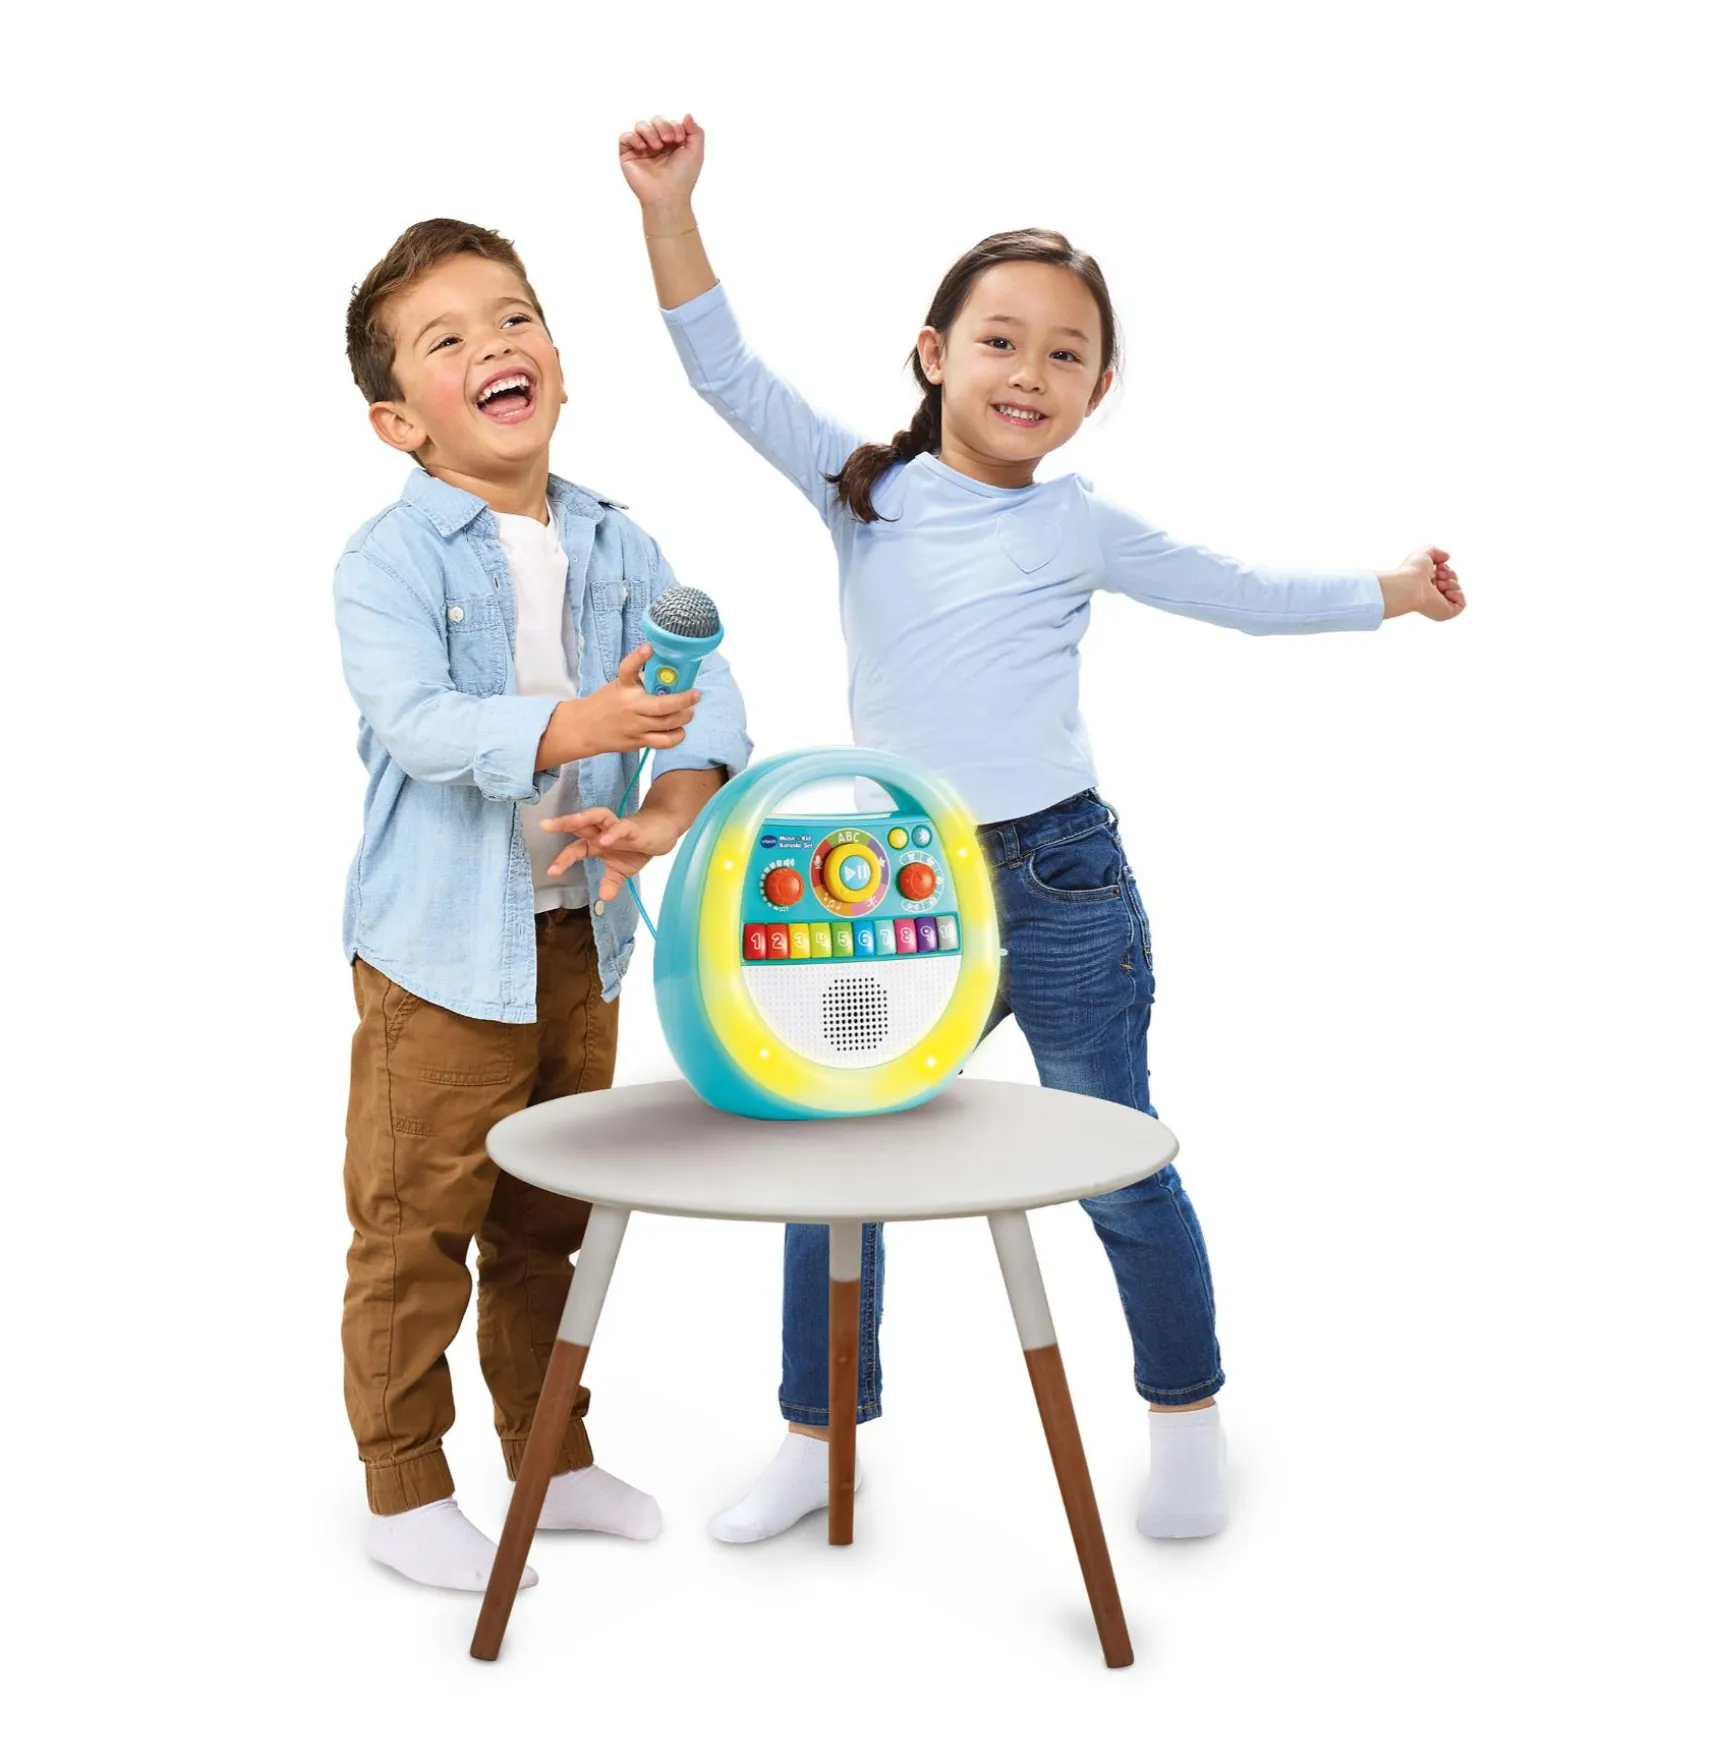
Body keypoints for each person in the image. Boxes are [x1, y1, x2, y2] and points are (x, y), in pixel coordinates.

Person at [615, 114, 1463, 1543]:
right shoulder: (864, 490)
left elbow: (1243, 593)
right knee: (836, 1163)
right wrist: (669, 206)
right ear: (934, 353)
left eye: (1066, 356)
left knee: (1116, 1164)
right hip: (896, 892)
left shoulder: (1077, 522)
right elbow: (722, 370)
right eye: (1001, 341)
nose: (1029, 373)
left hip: (1061, 881)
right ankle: (819, 1437)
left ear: (1097, 391)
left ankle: (1186, 1420)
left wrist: (1394, 591)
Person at [335, 217, 750, 1590]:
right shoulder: (389, 563)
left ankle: (550, 1459)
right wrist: (580, 727)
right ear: (401, 421)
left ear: (557, 360)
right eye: (446, 339)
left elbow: (707, 694)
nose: (494, 346)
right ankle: (404, 1490)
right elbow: (422, 725)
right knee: (417, 1227)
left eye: (513, 318)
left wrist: (666, 813)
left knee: (549, 1219)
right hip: (444, 960)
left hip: (580, 936)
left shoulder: (619, 541)